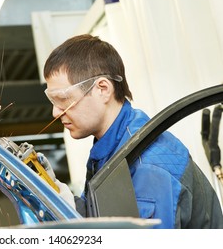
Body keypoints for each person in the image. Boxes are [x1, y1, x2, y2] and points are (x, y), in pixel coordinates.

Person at [41, 34, 223, 229]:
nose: (55, 112)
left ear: (102, 89)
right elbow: (107, 216)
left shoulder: (147, 169)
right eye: (53, 101)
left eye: (63, 99)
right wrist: (63, 200)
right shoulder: (117, 147)